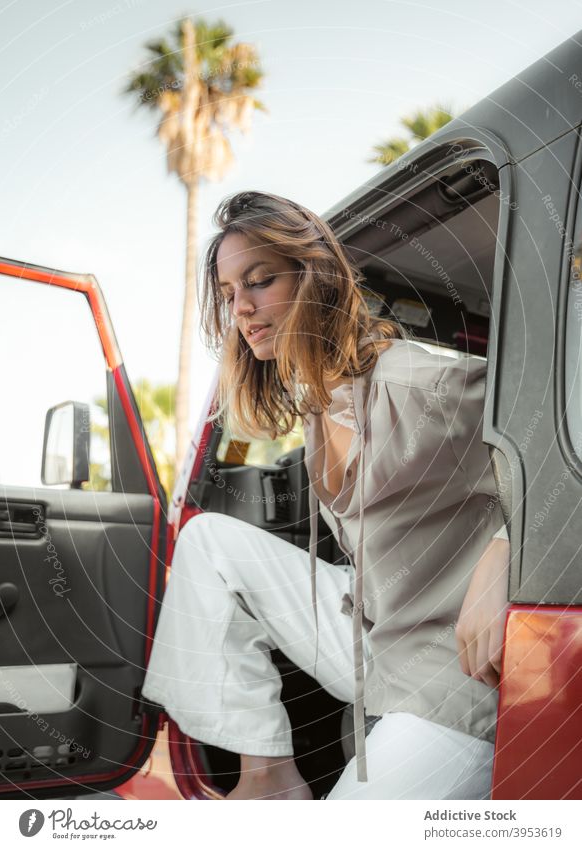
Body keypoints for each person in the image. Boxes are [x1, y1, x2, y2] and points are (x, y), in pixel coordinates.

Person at [142, 190, 511, 800]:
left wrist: (503, 553)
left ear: (313, 277)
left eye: (259, 281)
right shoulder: (319, 407)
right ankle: (268, 776)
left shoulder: (422, 383)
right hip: (378, 630)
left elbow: (560, 449)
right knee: (206, 539)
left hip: (453, 661)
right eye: (231, 294)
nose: (242, 308)